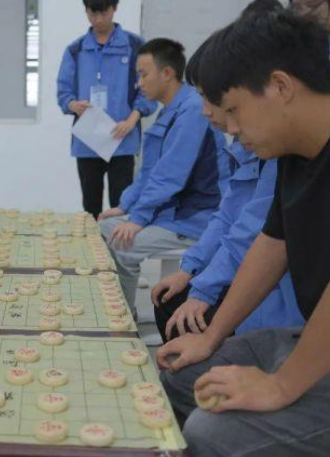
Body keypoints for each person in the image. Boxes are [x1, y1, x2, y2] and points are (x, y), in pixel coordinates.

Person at [158, 11, 330, 456]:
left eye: (233, 109)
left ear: (280, 86)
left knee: (211, 430)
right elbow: (272, 243)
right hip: (307, 336)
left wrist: (281, 385)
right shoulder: (294, 153)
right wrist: (210, 336)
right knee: (180, 373)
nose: (230, 128)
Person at [152, 8, 303, 344]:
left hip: (276, 303)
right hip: (244, 269)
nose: (207, 110)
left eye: (215, 100)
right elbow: (229, 216)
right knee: (171, 303)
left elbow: (253, 232)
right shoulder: (246, 142)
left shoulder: (280, 147)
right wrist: (191, 269)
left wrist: (203, 289)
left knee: (183, 320)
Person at [99, 38, 228, 316]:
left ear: (167, 73)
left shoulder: (192, 109)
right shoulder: (169, 111)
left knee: (121, 244)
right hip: (173, 213)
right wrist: (125, 206)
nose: (139, 83)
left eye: (143, 74)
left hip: (196, 218)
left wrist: (137, 219)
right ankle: (118, 308)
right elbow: (149, 172)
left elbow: (171, 176)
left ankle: (122, 319)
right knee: (104, 227)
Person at [57, 0, 157, 218]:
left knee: (120, 208)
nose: (99, 19)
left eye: (104, 12)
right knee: (90, 208)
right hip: (88, 140)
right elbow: (63, 93)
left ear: (114, 8)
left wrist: (132, 119)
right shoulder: (75, 50)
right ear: (86, 10)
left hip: (122, 140)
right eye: (93, 13)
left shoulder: (136, 46)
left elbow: (150, 90)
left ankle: (115, 243)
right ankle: (92, 241)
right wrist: (73, 105)